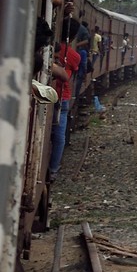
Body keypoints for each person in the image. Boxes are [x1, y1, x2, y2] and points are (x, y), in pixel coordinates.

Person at [46, 39, 79, 177]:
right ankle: (53, 168)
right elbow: (69, 75)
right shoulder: (73, 55)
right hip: (62, 97)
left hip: (55, 96)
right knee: (60, 135)